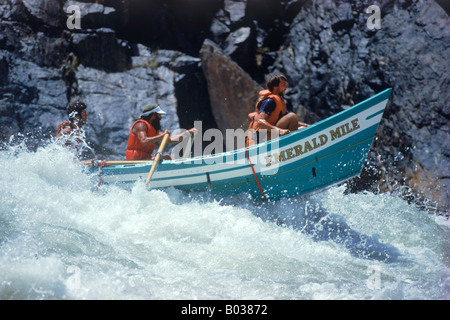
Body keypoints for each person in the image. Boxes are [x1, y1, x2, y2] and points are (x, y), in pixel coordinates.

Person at [247, 74, 309, 146]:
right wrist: (279, 130)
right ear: (275, 88)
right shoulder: (269, 101)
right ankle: (291, 145)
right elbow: (260, 123)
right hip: (261, 139)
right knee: (292, 116)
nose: (286, 87)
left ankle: (290, 144)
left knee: (301, 126)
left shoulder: (279, 101)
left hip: (270, 134)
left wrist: (307, 125)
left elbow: (291, 121)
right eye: (283, 85)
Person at [126, 104, 196, 161]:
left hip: (145, 158)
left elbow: (170, 139)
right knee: (167, 158)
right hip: (135, 160)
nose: (160, 117)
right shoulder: (141, 125)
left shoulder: (154, 129)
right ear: (153, 115)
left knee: (168, 157)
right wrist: (160, 137)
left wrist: (188, 132)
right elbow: (144, 141)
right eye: (159, 114)